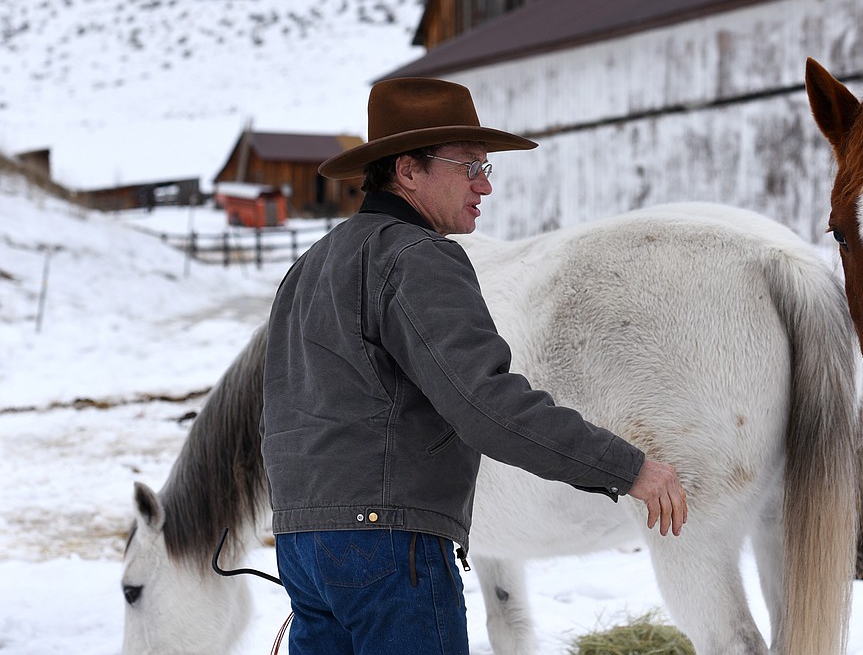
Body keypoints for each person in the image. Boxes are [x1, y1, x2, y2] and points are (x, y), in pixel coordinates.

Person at [260, 77, 688, 655]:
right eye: (468, 166)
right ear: (408, 171)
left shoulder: (309, 267)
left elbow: (283, 409)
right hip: (391, 551)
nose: (485, 185)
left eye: (486, 167)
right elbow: (487, 405)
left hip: (305, 548)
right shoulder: (416, 258)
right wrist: (627, 467)